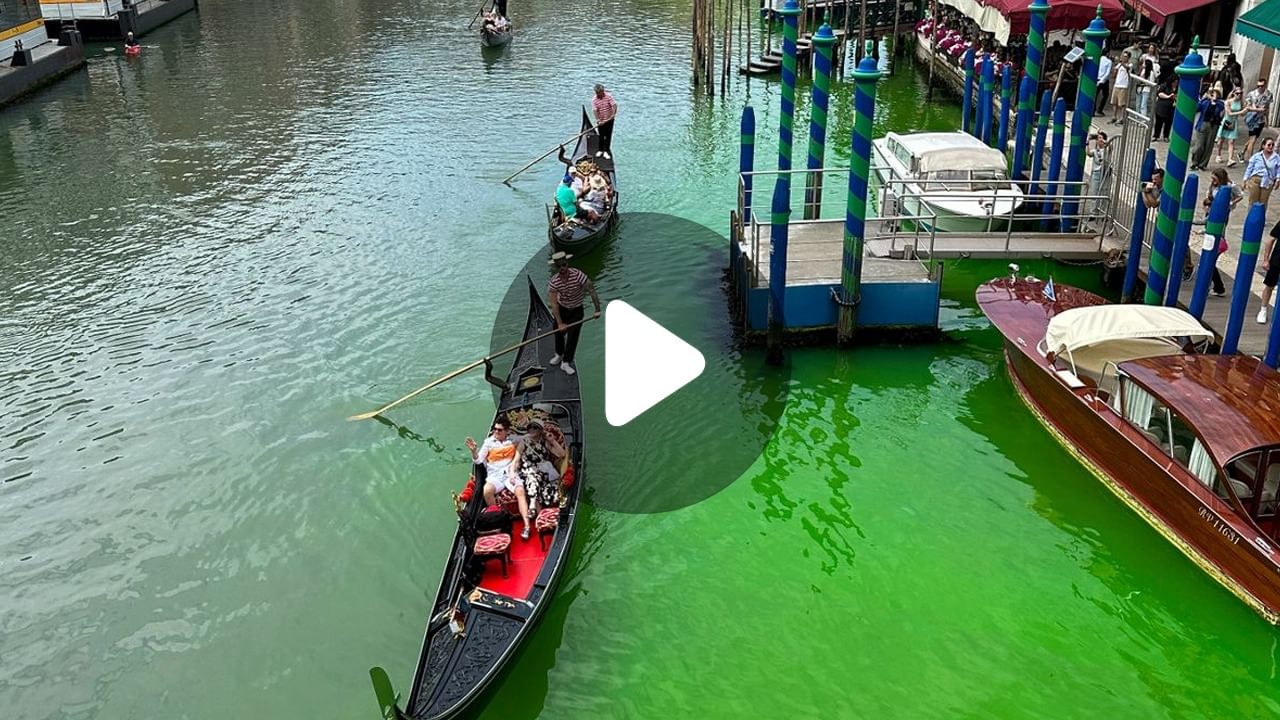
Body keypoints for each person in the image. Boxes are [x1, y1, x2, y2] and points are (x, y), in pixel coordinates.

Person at [466, 416, 532, 539]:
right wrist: (474, 451)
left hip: (509, 474)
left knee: (520, 491)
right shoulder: (488, 443)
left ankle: (527, 526)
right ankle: (499, 521)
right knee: (487, 490)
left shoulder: (513, 440)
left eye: (499, 430)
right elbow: (479, 460)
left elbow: (528, 437)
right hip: (494, 476)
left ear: (507, 431)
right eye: (494, 429)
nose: (496, 432)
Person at [547, 251, 601, 376]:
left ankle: (566, 362)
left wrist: (597, 310)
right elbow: (554, 304)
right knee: (557, 331)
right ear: (556, 267)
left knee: (573, 336)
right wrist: (560, 323)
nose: (562, 268)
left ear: (567, 263)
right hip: (562, 308)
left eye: (564, 265)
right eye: (559, 266)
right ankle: (559, 354)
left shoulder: (578, 275)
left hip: (577, 309)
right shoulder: (554, 282)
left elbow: (592, 291)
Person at [1200, 168, 1243, 295]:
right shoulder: (1212, 187)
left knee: (1210, 258)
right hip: (1211, 215)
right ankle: (1216, 287)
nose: (1212, 181)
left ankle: (1216, 286)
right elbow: (1207, 199)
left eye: (1215, 178)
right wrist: (1206, 208)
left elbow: (1240, 195)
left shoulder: (1229, 187)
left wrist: (1230, 204)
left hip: (1221, 216)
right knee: (1209, 256)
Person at [516, 421, 566, 513]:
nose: (531, 429)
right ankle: (532, 504)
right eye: (529, 427)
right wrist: (512, 474)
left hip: (544, 472)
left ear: (540, 430)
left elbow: (562, 454)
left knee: (552, 494)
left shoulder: (545, 442)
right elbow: (516, 460)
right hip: (528, 471)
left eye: (534, 427)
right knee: (533, 476)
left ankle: (542, 510)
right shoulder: (524, 442)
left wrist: (552, 440)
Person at [1189, 87, 1225, 171]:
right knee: (1199, 145)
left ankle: (1202, 164)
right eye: (1212, 93)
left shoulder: (1220, 104)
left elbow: (1220, 111)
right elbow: (1197, 108)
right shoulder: (1204, 102)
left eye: (1215, 93)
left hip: (1213, 126)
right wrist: (1203, 99)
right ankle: (1195, 162)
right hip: (1203, 124)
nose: (1213, 95)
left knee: (1208, 146)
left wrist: (1214, 102)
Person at [1243, 137, 1280, 206]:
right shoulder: (1256, 156)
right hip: (1255, 180)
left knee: (1263, 202)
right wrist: (1245, 179)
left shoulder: (1276, 157)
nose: (1271, 146)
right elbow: (1249, 168)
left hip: (1268, 181)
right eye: (1269, 145)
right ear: (1263, 146)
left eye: (1272, 145)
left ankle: (1261, 216)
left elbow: (1278, 169)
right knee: (1253, 201)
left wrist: (1278, 179)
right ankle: (1251, 216)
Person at [1243, 78, 1274, 160]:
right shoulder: (1252, 94)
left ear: (1265, 86)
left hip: (1261, 119)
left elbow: (1267, 107)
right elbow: (1247, 107)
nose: (1259, 87)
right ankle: (1250, 159)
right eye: (1258, 86)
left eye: (1262, 86)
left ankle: (1243, 152)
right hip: (1252, 118)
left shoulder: (1269, 94)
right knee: (1252, 139)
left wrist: (1267, 119)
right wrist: (1257, 109)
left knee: (1254, 138)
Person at [1259, 219, 1280, 324]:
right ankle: (1263, 309)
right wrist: (1266, 260)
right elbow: (1271, 239)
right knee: (1269, 285)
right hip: (1277, 260)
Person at [1216, 87, 1244, 166]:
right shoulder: (1228, 102)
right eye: (1237, 93)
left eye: (1240, 93)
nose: (1239, 95)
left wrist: (1247, 108)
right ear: (1233, 93)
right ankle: (1218, 155)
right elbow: (1229, 113)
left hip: (1234, 122)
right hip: (1226, 122)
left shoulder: (1240, 102)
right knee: (1221, 140)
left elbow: (1242, 114)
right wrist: (1242, 111)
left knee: (1231, 141)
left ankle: (1230, 159)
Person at [591, 84, 617, 157]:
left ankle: (606, 151)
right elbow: (595, 110)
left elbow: (614, 105)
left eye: (599, 92)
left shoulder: (609, 96)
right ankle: (600, 150)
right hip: (601, 120)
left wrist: (613, 115)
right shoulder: (594, 100)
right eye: (597, 92)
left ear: (602, 91)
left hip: (609, 119)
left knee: (608, 135)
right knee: (601, 135)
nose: (598, 94)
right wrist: (598, 120)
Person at [1109, 52, 1131, 121]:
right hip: (1117, 84)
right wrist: (1115, 69)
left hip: (1123, 85)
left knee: (1122, 103)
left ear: (1128, 58)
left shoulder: (1130, 64)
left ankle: (1122, 118)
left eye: (1125, 56)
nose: (1124, 58)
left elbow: (1128, 68)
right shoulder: (1119, 65)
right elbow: (1113, 75)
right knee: (1114, 102)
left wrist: (1121, 63)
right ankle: (1114, 117)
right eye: (1123, 56)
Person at [1096, 52, 1113, 117]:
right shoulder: (1109, 61)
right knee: (1105, 95)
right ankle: (1100, 109)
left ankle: (1093, 109)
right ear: (1107, 53)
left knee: (1095, 95)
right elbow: (1107, 73)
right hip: (1104, 80)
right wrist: (1102, 80)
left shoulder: (1098, 59)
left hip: (1097, 78)